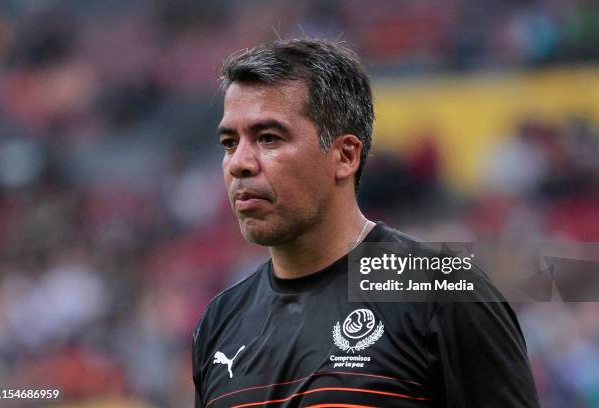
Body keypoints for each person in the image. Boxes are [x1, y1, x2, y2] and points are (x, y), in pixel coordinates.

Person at [192, 38, 540, 407]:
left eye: (268, 138)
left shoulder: (442, 290)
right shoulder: (220, 322)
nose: (239, 163)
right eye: (230, 143)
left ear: (345, 156)